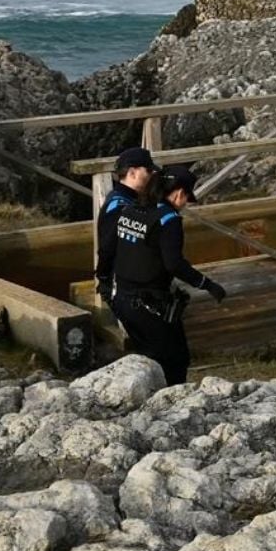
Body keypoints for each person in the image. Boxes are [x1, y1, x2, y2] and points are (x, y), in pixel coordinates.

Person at [97, 160, 225, 386]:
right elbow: (174, 264)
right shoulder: (169, 220)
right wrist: (207, 284)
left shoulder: (130, 209)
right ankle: (169, 404)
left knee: (148, 356)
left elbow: (109, 248)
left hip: (123, 299)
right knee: (175, 359)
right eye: (186, 198)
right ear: (178, 194)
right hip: (150, 305)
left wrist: (104, 279)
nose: (185, 204)